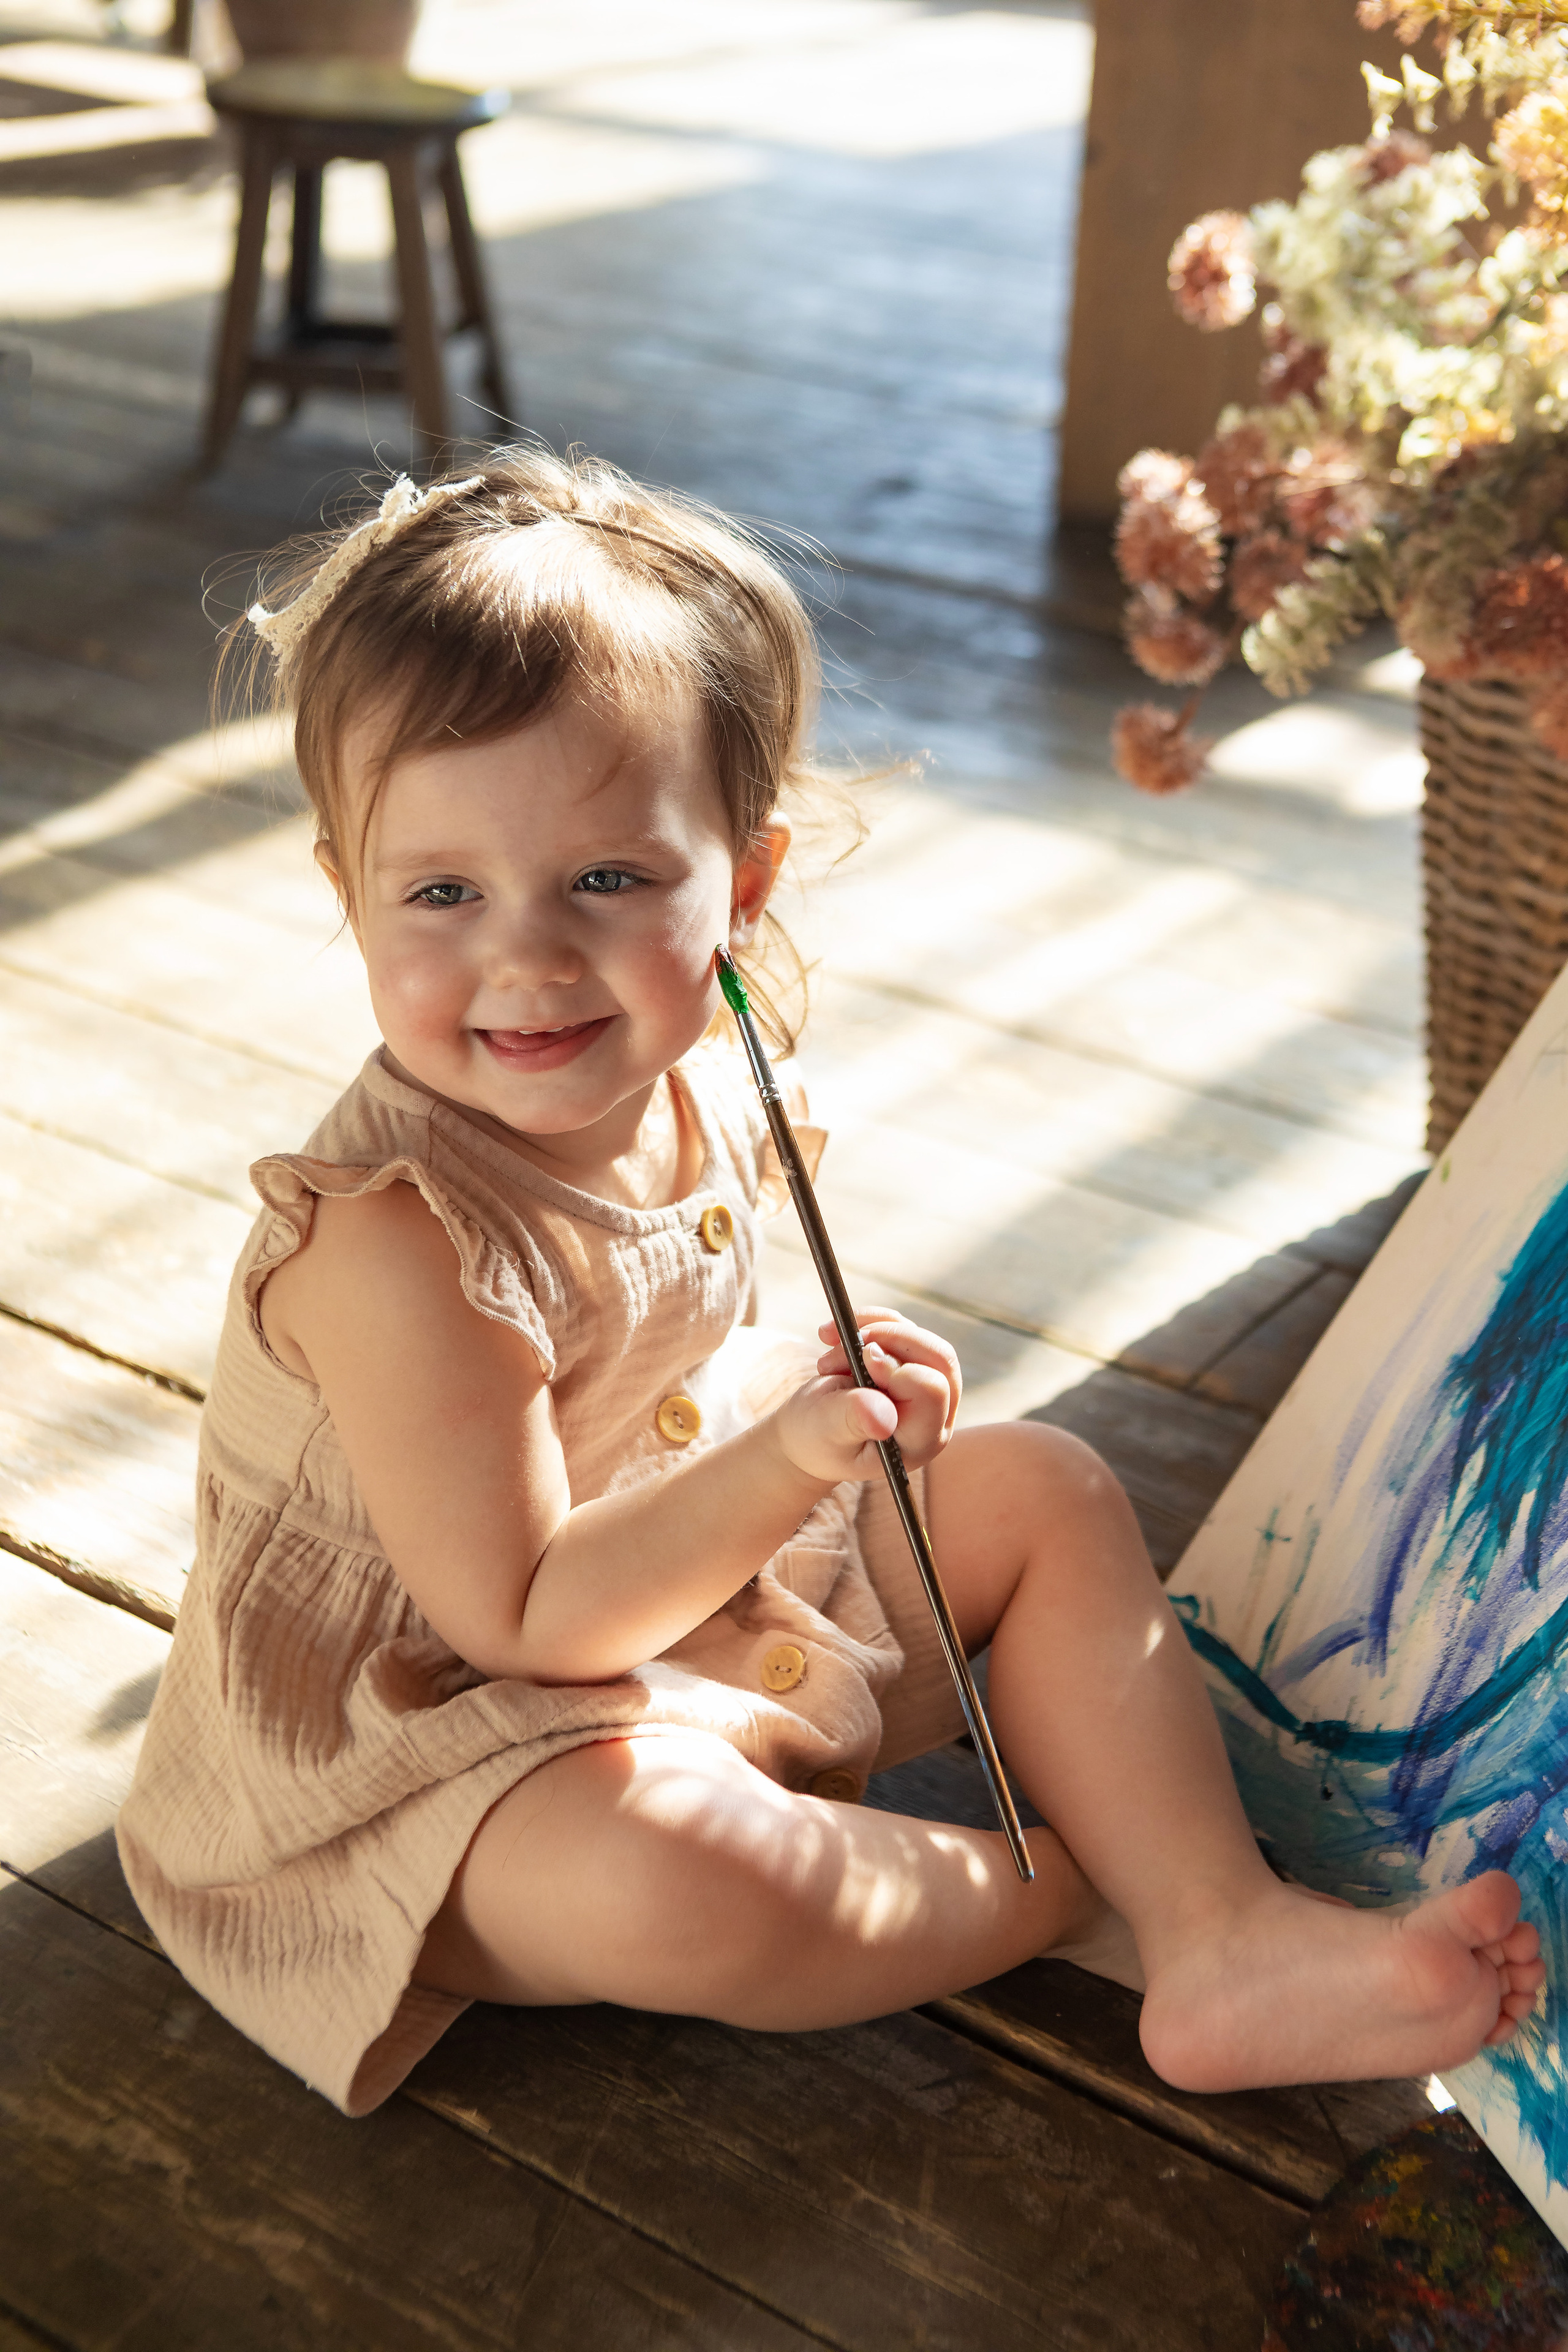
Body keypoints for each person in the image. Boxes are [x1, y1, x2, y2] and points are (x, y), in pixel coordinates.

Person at [117, 450, 1543, 2116]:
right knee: (667, 1882)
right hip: (443, 1747)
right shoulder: (397, 1244)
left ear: (744, 880)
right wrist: (791, 1455)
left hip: (700, 1602)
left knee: (1042, 1488)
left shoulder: (701, 1070)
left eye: (609, 880)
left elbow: (669, 1381)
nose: (526, 954)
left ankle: (1219, 1934)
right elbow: (526, 1621)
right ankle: (1086, 1894)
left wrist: (822, 1406)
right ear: (346, 891)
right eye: (441, 891)